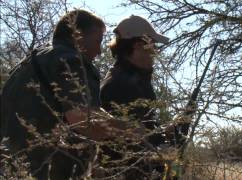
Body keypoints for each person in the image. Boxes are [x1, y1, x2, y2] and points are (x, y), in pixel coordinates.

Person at [0, 9, 109, 179]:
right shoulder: (71, 61)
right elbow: (83, 121)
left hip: (11, 167)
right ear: (78, 36)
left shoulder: (29, 62)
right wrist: (133, 132)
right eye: (98, 41)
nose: (99, 51)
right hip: (43, 168)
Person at [100, 15, 170, 179]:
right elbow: (135, 141)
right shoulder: (121, 84)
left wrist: (165, 133)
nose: (156, 51)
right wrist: (163, 149)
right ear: (139, 45)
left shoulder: (133, 78)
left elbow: (144, 127)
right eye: (154, 45)